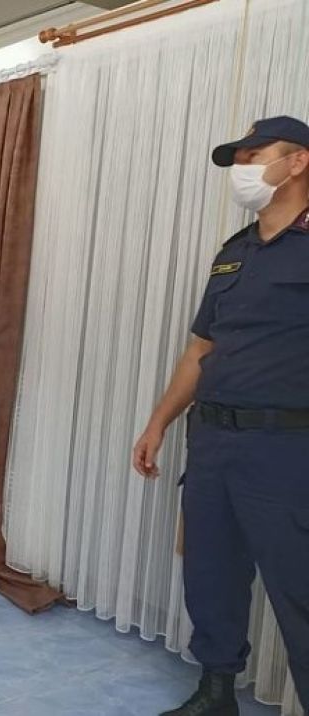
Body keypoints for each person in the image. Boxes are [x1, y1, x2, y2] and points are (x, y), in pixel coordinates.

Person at [133, 116, 309, 716]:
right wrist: (158, 423)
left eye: (254, 156)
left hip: (286, 449)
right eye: (238, 159)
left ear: (297, 162)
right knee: (211, 573)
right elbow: (200, 349)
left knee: (299, 588)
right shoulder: (234, 252)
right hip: (212, 441)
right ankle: (216, 693)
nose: (241, 168)